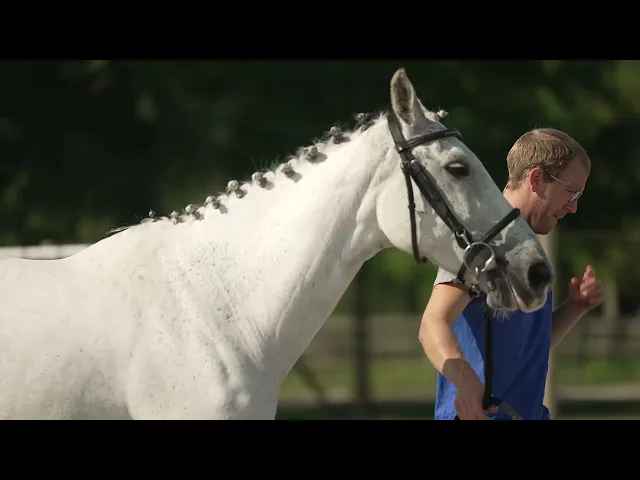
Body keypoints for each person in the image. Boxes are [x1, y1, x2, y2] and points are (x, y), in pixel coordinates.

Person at [419, 127, 603, 420]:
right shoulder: (481, 240)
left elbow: (528, 347)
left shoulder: (531, 247)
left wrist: (575, 307)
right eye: (571, 192)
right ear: (537, 178)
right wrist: (466, 383)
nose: (574, 207)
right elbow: (432, 323)